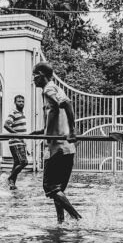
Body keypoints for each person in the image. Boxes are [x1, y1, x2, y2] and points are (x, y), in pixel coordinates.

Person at [31, 62, 80, 223]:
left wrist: (73, 131)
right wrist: (42, 131)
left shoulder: (48, 89)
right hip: (66, 149)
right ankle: (60, 222)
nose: (33, 79)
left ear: (41, 75)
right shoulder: (56, 88)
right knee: (58, 190)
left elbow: (66, 104)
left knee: (50, 187)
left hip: (57, 149)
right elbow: (56, 114)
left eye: (35, 75)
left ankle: (77, 218)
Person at [2, 94, 29, 190]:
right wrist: (16, 134)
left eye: (22, 101)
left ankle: (12, 185)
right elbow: (6, 125)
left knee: (17, 163)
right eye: (19, 101)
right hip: (15, 142)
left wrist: (25, 143)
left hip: (20, 142)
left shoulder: (22, 114)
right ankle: (10, 179)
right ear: (15, 102)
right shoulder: (13, 112)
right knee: (24, 162)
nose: (21, 103)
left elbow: (22, 130)